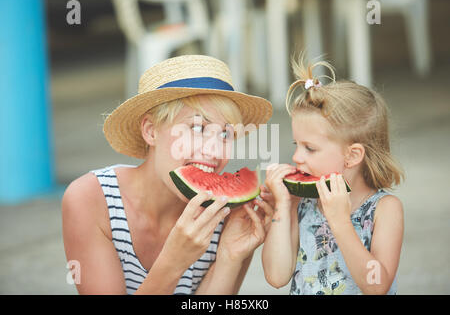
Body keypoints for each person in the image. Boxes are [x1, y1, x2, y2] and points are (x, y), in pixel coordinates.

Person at [62, 55, 274, 295]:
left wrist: (229, 256)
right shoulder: (91, 201)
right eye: (197, 128)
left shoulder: (228, 214)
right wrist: (173, 262)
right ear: (150, 131)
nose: (214, 150)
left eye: (225, 135)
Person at [259, 56, 404, 295]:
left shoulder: (384, 209)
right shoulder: (303, 205)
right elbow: (276, 276)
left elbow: (377, 285)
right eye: (297, 144)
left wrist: (340, 221)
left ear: (353, 155)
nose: (296, 157)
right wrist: (284, 208)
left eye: (310, 148)